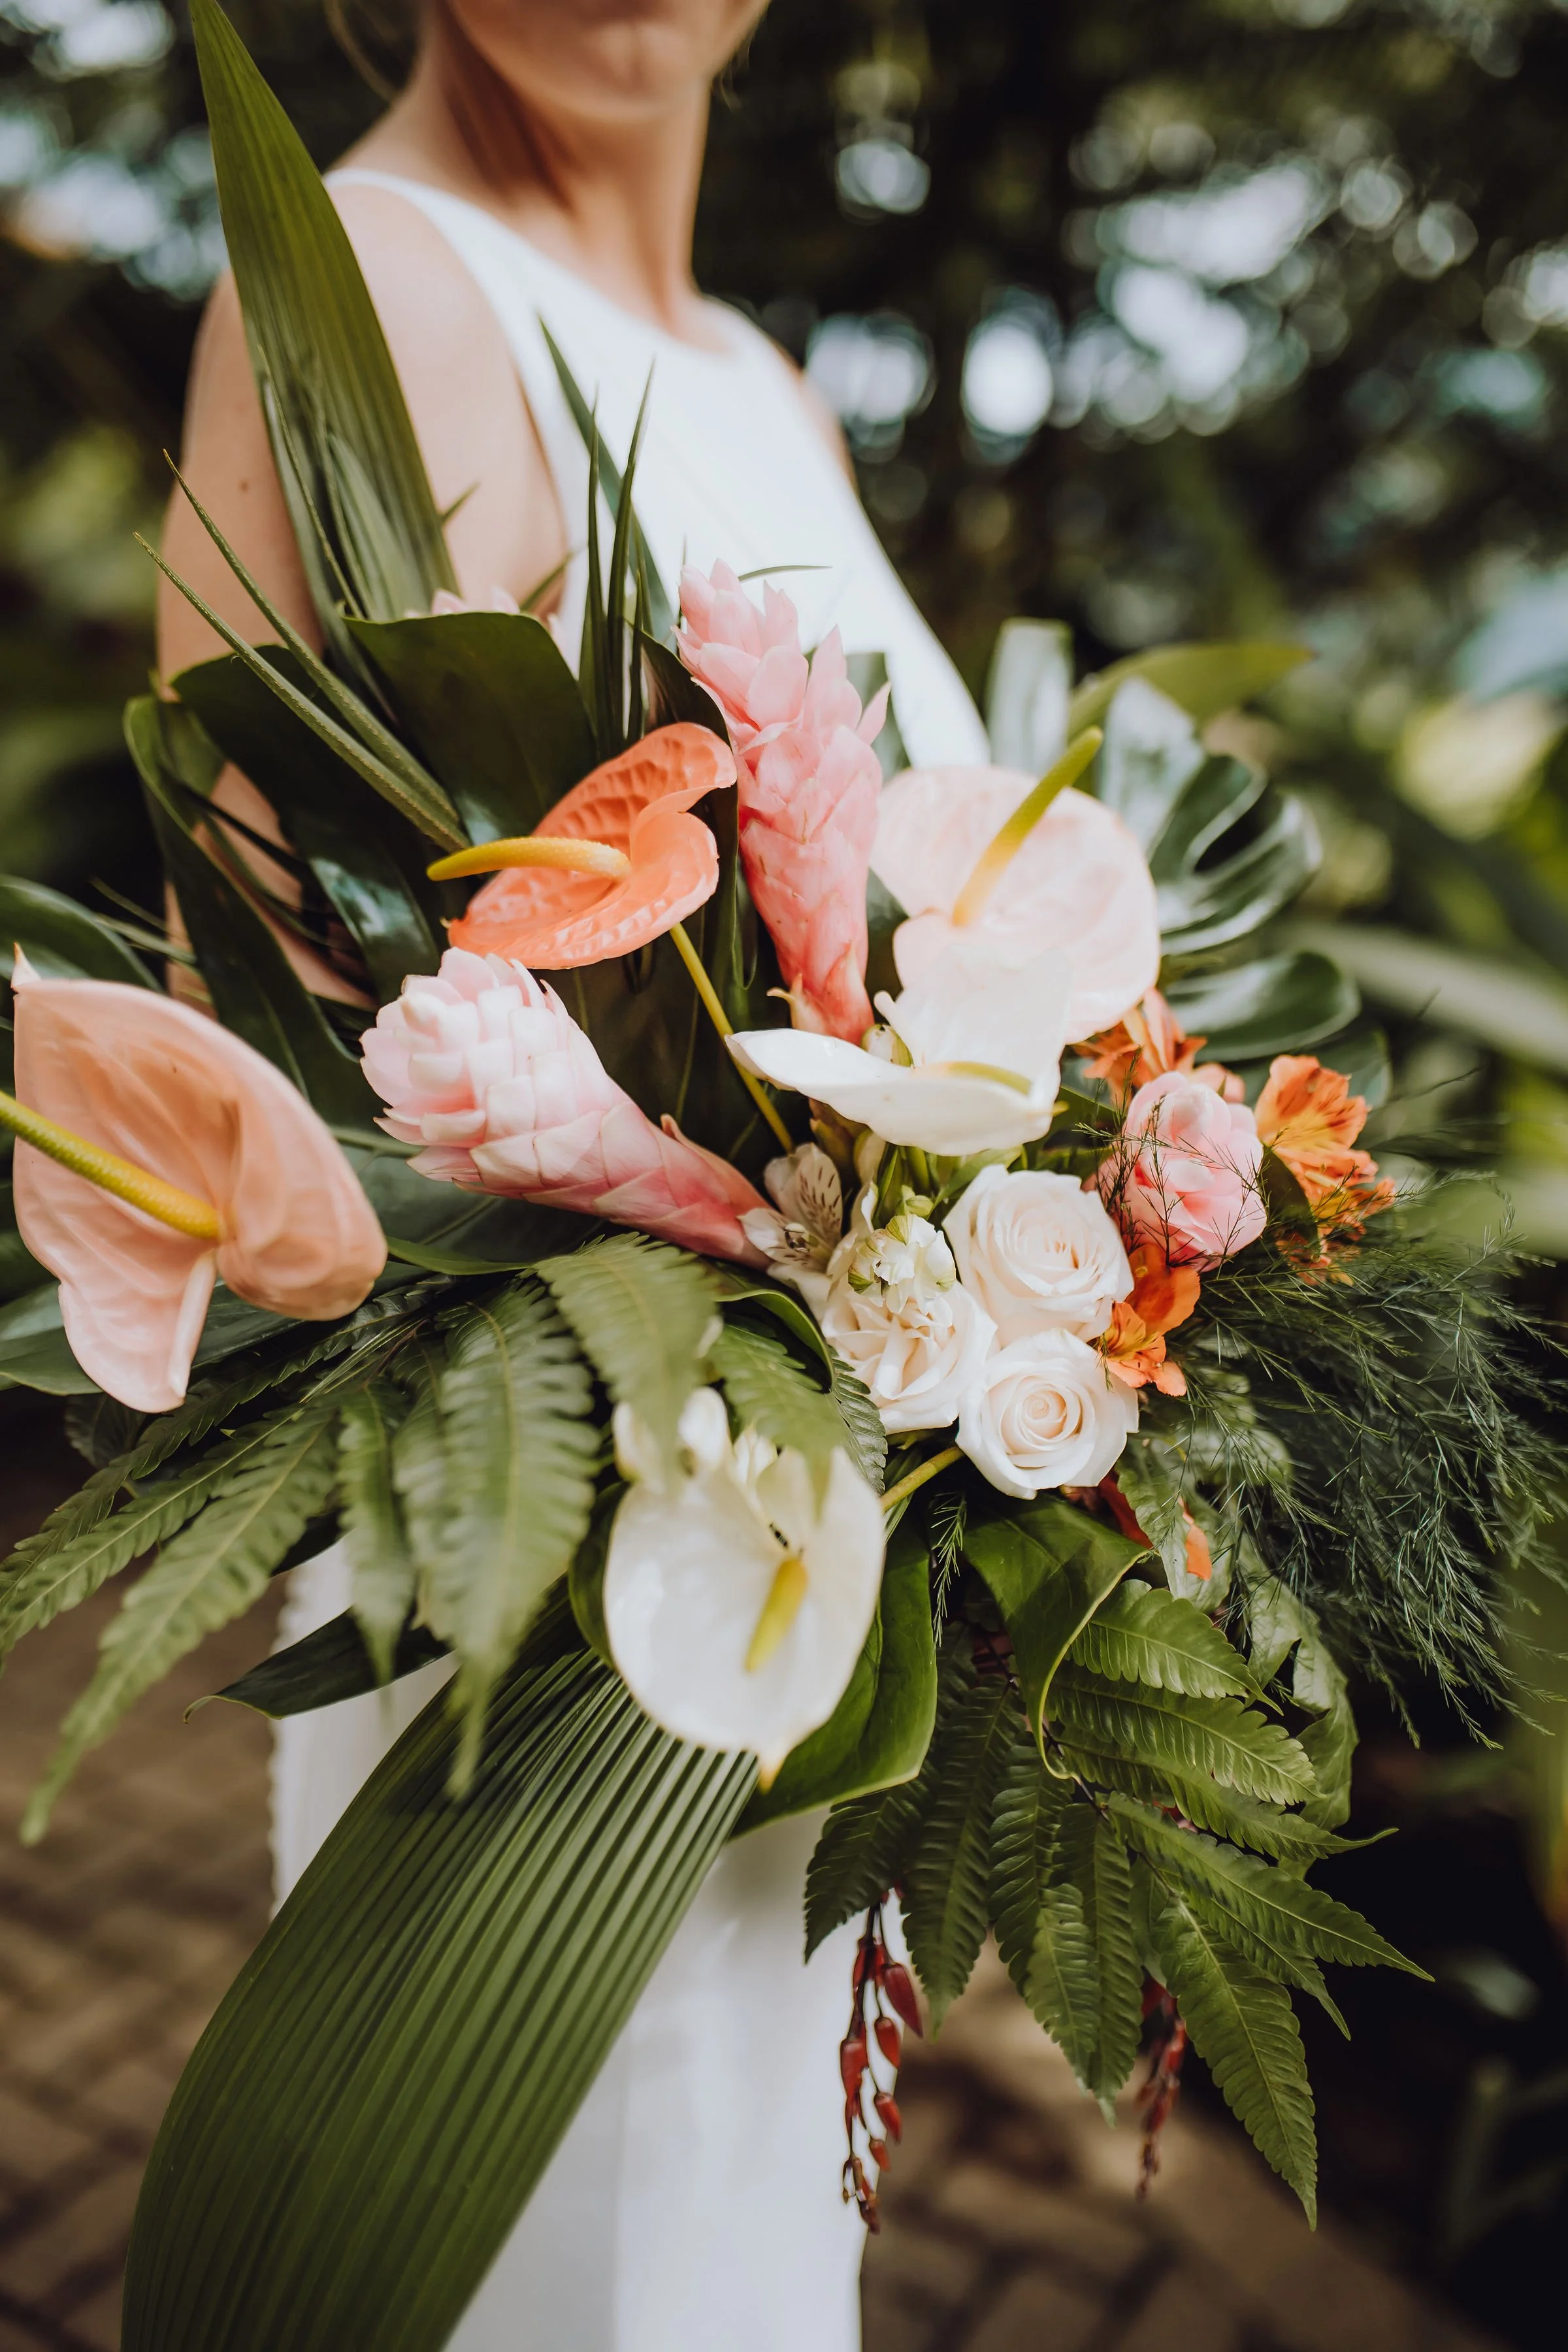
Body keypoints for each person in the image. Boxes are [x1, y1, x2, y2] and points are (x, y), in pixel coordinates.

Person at [158, 4, 988, 2345]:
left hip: (813, 1583)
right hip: (570, 1614)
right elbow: (304, 1079)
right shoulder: (379, 288)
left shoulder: (759, 378)